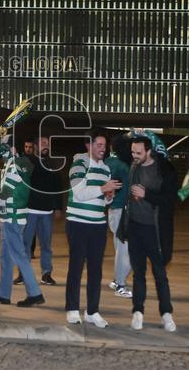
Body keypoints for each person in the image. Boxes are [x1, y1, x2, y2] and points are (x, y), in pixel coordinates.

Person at [119, 136, 177, 332]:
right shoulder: (134, 166)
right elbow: (118, 145)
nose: (134, 156)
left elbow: (170, 201)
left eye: (138, 153)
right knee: (138, 274)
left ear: (149, 150)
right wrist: (130, 134)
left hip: (156, 230)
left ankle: (166, 313)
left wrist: (147, 195)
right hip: (135, 227)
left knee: (160, 274)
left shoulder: (165, 169)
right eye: (133, 152)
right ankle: (137, 312)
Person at [64, 133, 120, 327]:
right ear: (88, 145)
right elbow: (79, 193)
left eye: (105, 145)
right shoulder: (79, 164)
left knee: (96, 270)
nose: (103, 148)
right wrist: (103, 189)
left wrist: (109, 196)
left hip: (98, 225)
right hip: (78, 223)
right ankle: (72, 309)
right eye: (99, 144)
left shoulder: (106, 169)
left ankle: (92, 311)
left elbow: (102, 199)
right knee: (76, 267)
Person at [0, 140, 45, 307]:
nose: (0, 153)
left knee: (19, 255)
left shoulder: (13, 167)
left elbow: (3, 194)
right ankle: (3, 294)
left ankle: (35, 293)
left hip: (12, 217)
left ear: (11, 148)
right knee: (5, 257)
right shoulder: (15, 165)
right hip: (10, 216)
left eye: (2, 148)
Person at [21, 136, 63, 287]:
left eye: (48, 144)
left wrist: (58, 207)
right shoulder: (28, 162)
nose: (46, 146)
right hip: (30, 209)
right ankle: (23, 274)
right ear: (36, 146)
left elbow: (58, 187)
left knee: (46, 245)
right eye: (43, 143)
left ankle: (46, 274)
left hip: (46, 212)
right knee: (25, 243)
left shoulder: (53, 164)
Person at [106, 135, 133, 298]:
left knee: (120, 248)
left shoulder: (110, 162)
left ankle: (117, 280)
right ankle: (120, 285)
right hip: (121, 211)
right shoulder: (121, 165)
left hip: (114, 210)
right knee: (125, 249)